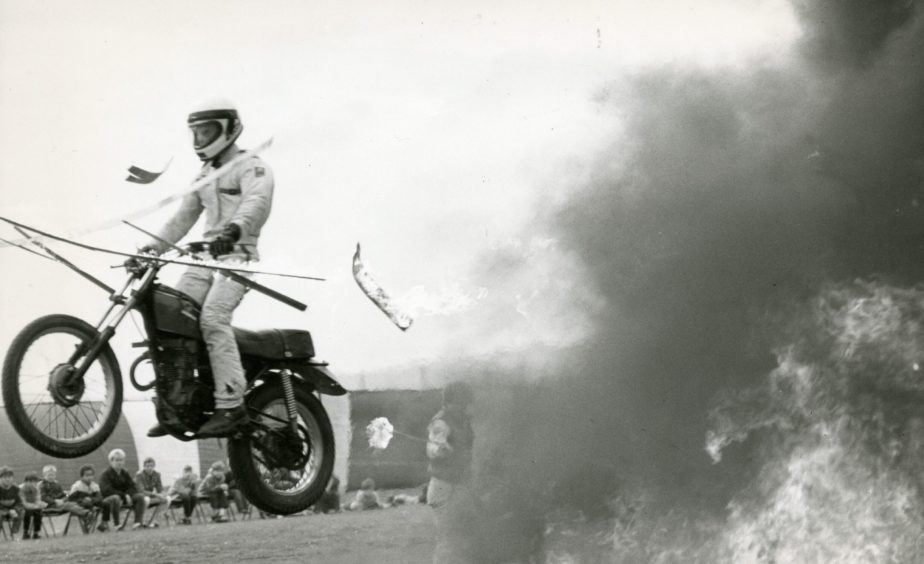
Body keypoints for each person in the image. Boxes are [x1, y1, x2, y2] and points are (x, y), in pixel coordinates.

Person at [136, 98, 275, 439]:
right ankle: (178, 405)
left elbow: (257, 203)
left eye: (207, 131)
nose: (200, 139)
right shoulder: (203, 175)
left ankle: (231, 405)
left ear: (229, 129)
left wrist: (234, 230)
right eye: (195, 133)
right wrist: (151, 248)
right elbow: (182, 219)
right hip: (203, 258)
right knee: (172, 318)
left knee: (212, 318)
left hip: (237, 256)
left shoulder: (252, 167)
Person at [427, 381, 476, 563]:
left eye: (466, 403)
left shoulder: (463, 420)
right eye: (461, 402)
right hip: (443, 487)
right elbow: (432, 448)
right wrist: (441, 450)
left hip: (460, 484)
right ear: (450, 402)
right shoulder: (441, 422)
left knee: (465, 535)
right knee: (448, 538)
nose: (464, 407)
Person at [99, 449, 149, 531]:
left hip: (123, 498)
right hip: (108, 500)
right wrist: (124, 495)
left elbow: (133, 487)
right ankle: (117, 525)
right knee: (115, 497)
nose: (119, 462)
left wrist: (128, 495)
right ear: (111, 461)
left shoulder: (124, 473)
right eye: (117, 460)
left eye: (121, 460)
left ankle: (137, 523)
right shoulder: (105, 475)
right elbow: (107, 490)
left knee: (140, 496)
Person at [68, 465, 103, 533]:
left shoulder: (95, 486)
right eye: (87, 475)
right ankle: (88, 519)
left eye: (91, 475)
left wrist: (92, 500)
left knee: (105, 504)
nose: (89, 477)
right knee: (86, 502)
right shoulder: (77, 486)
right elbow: (71, 499)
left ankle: (104, 523)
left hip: (92, 503)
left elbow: (99, 498)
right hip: (80, 505)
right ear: (82, 476)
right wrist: (83, 500)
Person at [135, 457, 167, 527]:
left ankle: (154, 521)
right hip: (139, 497)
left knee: (167, 499)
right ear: (144, 467)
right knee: (146, 499)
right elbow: (141, 491)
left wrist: (163, 494)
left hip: (150, 496)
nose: (150, 468)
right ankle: (142, 522)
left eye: (151, 466)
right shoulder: (139, 475)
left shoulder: (156, 474)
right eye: (147, 466)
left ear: (154, 466)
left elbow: (159, 488)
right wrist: (156, 495)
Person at [19, 472, 46, 540]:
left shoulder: (36, 489)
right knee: (27, 512)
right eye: (35, 482)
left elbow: (38, 500)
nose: (36, 484)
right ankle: (25, 533)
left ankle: (36, 532)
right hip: (21, 507)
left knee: (38, 511)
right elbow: (24, 503)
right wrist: (37, 505)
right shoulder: (20, 489)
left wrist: (41, 504)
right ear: (28, 482)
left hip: (32, 507)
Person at [0, 467, 23, 539]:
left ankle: (14, 533)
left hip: (12, 510)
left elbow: (19, 503)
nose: (7, 479)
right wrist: (7, 510)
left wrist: (14, 509)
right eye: (5, 477)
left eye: (10, 477)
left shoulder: (16, 489)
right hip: (1, 510)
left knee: (21, 512)